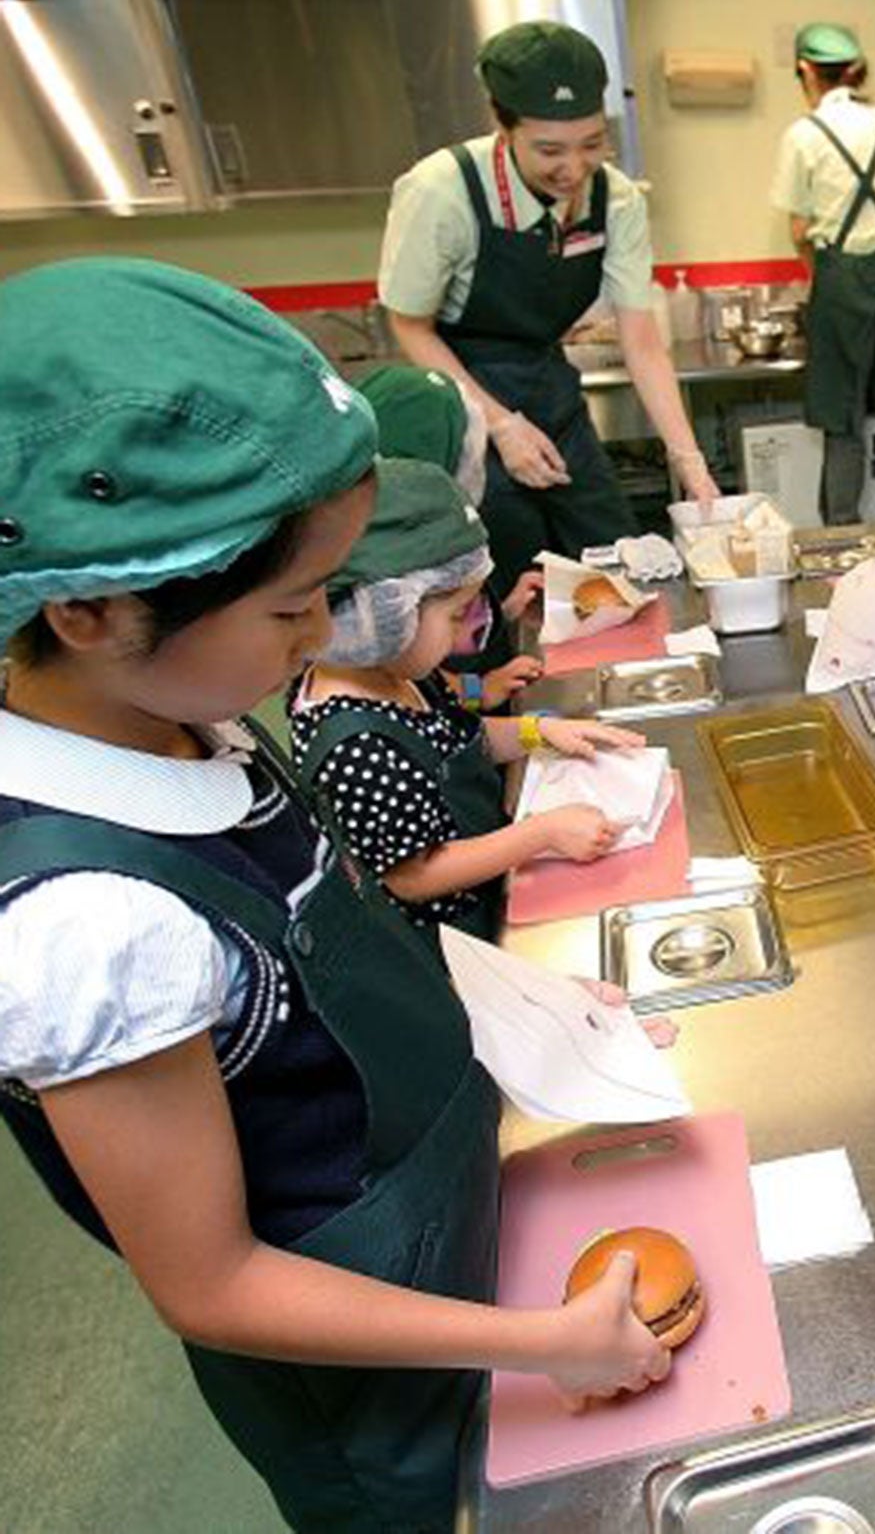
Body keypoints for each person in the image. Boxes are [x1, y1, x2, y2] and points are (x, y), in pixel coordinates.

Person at [0, 259, 668, 1532]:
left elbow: (351, 937)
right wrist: (542, 1341)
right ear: (92, 612)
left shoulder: (183, 719)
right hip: (365, 1371)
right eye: (297, 606)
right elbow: (210, 1283)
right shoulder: (84, 922)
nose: (324, 642)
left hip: (451, 1236)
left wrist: (527, 1002)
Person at [376, 19, 718, 631]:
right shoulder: (441, 192)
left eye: (592, 143)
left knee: (613, 571)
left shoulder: (616, 199)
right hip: (465, 404)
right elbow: (410, 325)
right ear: (500, 125)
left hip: (552, 392)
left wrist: (689, 462)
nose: (574, 168)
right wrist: (500, 424)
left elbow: (641, 339)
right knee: (505, 589)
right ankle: (522, 720)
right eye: (550, 150)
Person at [290, 457, 642, 940]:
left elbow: (458, 738)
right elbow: (414, 876)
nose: (464, 631)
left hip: (491, 885)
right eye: (457, 615)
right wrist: (539, 834)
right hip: (454, 938)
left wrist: (538, 732)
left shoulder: (399, 675)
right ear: (384, 616)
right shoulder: (356, 747)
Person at [771, 21, 875, 524]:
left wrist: (828, 274)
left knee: (842, 416)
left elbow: (800, 229)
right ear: (855, 71)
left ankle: (840, 530)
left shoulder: (803, 134)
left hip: (838, 282)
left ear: (805, 69)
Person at [355, 361, 545, 711]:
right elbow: (414, 678)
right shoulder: (387, 569)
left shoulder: (403, 529)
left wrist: (501, 614)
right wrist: (479, 691)